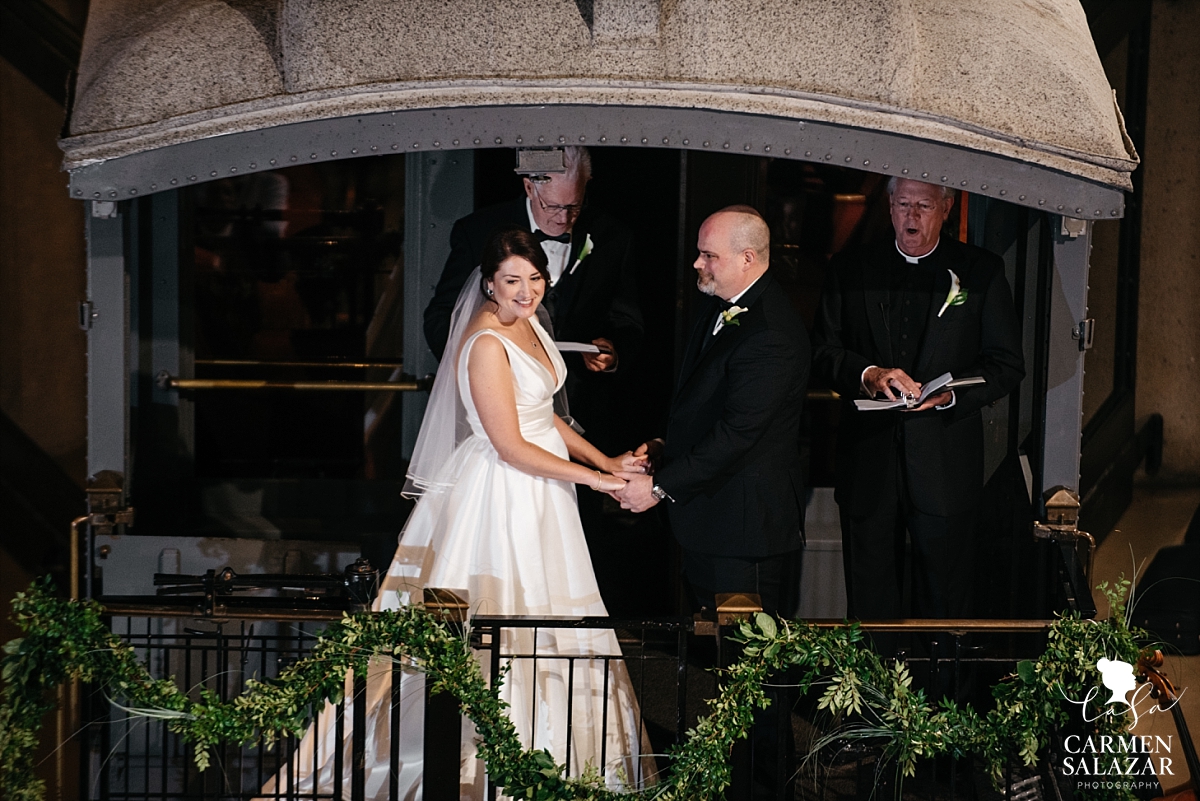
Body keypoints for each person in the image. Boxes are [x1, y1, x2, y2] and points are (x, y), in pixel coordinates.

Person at [264, 227, 652, 799]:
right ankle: (484, 772)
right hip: (504, 493)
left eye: (535, 279)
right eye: (512, 282)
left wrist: (608, 459)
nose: (526, 292)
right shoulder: (486, 342)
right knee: (494, 627)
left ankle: (572, 770)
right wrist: (601, 482)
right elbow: (511, 445)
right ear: (489, 284)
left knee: (554, 617)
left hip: (546, 493)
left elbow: (546, 419)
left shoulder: (533, 326)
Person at [812, 177, 1025, 625]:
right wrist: (869, 374)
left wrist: (951, 396)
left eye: (923, 206)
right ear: (889, 206)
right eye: (903, 204)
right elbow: (821, 353)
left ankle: (942, 693)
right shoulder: (850, 268)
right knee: (869, 608)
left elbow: (1006, 364)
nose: (912, 216)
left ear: (946, 209)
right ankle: (870, 695)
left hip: (944, 467)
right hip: (869, 466)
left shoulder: (980, 271)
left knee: (945, 605)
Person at [614, 206, 809, 615]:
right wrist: (664, 444)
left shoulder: (772, 333)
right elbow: (706, 405)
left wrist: (657, 487)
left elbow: (738, 432)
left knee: (749, 661)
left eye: (709, 255)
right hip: (710, 521)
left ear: (747, 259)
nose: (697, 262)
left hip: (743, 531)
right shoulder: (716, 306)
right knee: (717, 658)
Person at [422, 146, 643, 452]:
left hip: (582, 414)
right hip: (499, 410)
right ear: (529, 186)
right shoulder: (478, 231)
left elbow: (627, 319)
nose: (563, 219)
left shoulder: (612, 236)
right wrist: (477, 369)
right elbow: (440, 316)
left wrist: (613, 353)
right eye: (552, 205)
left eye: (574, 206)